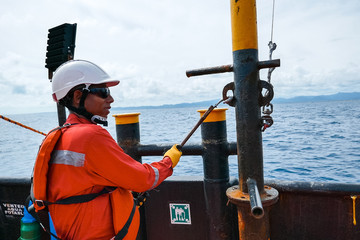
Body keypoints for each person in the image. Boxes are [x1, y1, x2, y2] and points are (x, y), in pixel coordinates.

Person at [32, 60, 182, 239]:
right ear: (78, 96)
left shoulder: (56, 137)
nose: (111, 99)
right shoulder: (91, 137)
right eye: (103, 92)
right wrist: (168, 161)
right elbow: (143, 179)